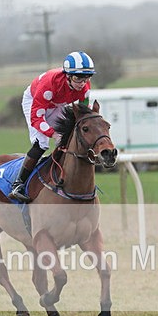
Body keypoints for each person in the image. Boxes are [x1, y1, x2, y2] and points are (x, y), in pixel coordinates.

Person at [8, 51, 95, 203]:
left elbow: (81, 115)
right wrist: (53, 133)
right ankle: (18, 184)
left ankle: (61, 174)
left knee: (68, 137)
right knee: (41, 144)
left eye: (86, 77)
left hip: (57, 104)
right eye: (78, 77)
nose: (82, 82)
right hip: (35, 101)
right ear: (67, 75)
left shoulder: (85, 88)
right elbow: (37, 118)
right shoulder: (49, 84)